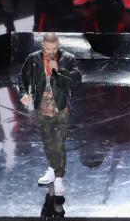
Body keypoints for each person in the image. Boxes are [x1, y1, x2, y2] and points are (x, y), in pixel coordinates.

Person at [19, 33, 82, 196]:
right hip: (41, 108)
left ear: (58, 45)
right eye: (48, 49)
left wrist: (59, 69)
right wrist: (24, 93)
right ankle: (51, 170)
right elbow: (22, 77)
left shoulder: (68, 58)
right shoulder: (33, 59)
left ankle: (59, 177)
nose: (51, 52)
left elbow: (77, 78)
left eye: (54, 48)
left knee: (59, 143)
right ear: (43, 46)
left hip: (61, 108)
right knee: (47, 142)